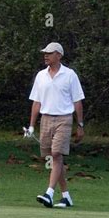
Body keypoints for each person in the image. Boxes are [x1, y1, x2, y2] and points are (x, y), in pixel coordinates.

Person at [25, 42, 85, 208]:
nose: (46, 56)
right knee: (51, 158)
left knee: (57, 153)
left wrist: (80, 125)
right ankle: (66, 196)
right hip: (45, 119)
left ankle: (49, 193)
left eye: (49, 53)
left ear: (59, 55)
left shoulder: (69, 75)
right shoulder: (41, 76)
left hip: (64, 119)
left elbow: (78, 101)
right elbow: (36, 102)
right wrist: (31, 126)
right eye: (45, 53)